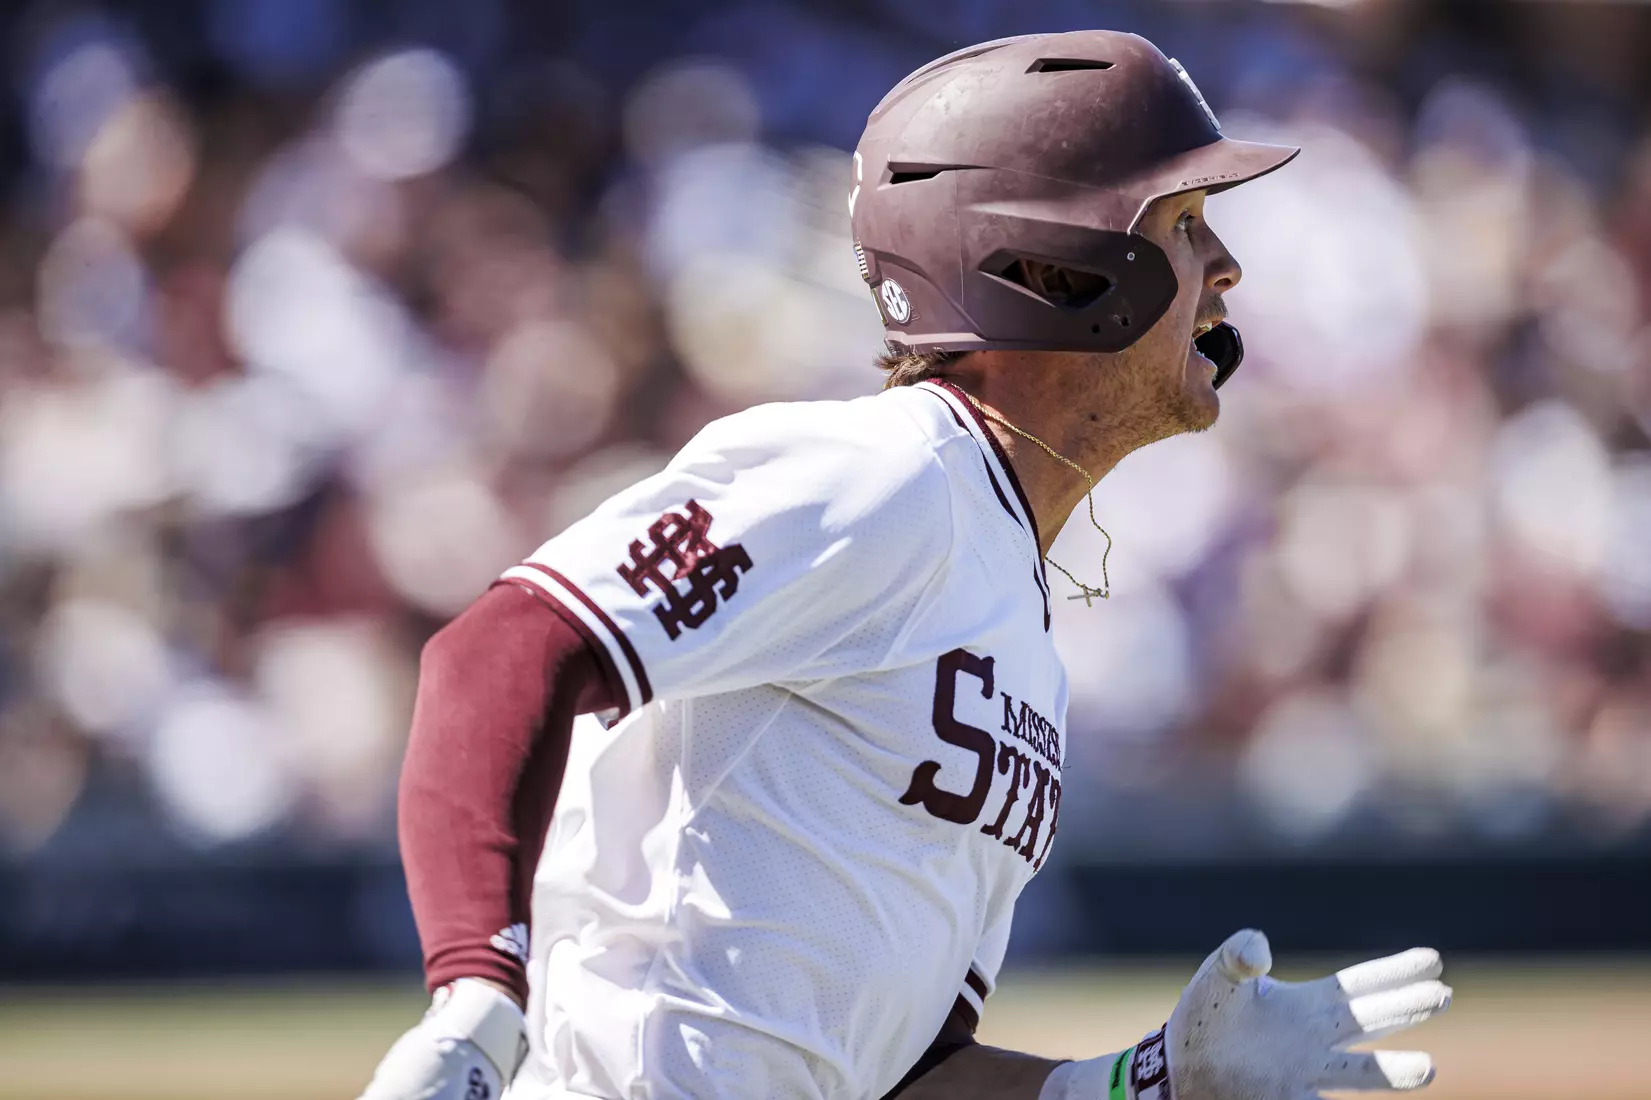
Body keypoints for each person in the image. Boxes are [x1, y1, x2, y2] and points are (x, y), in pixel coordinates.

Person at [359, 30, 1451, 1100]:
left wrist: (1143, 1084)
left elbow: (906, 1070)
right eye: (1182, 223)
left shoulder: (1017, 619)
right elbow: (505, 646)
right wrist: (475, 993)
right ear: (1049, 268)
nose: (1226, 266)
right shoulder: (881, 474)